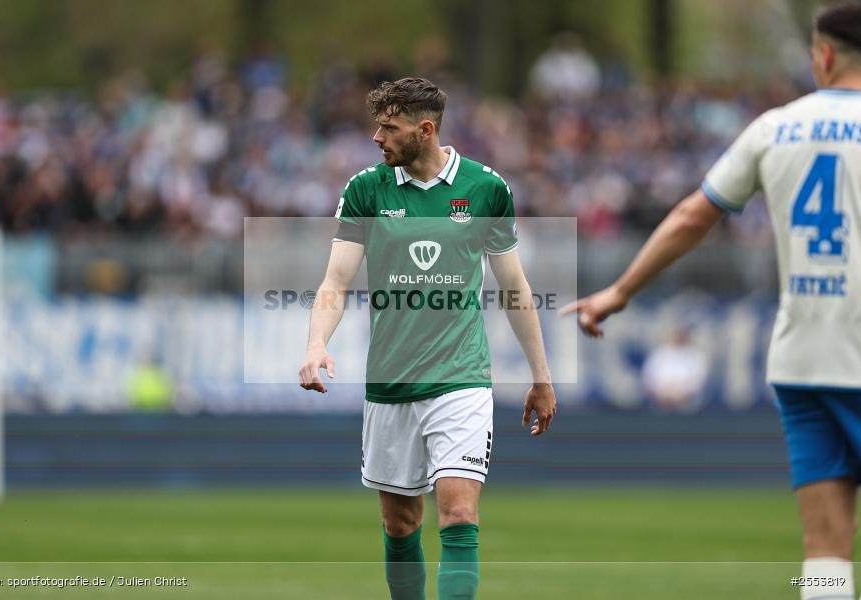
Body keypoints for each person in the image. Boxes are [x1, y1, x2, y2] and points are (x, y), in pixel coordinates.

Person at [562, 4, 861, 599]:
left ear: (824, 54)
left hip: (803, 360)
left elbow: (692, 217)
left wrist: (621, 290)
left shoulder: (774, 128)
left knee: (825, 545)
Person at [299, 77, 556, 600]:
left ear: (425, 129)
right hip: (390, 382)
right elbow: (336, 281)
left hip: (461, 379)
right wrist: (316, 343)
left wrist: (541, 376)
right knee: (400, 523)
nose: (377, 137)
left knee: (458, 512)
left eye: (389, 128)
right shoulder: (367, 189)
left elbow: (514, 286)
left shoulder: (485, 189)